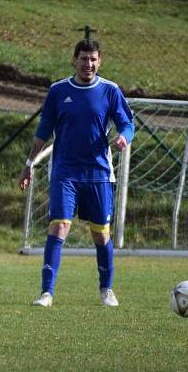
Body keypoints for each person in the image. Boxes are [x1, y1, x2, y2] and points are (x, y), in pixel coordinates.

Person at [18, 39, 134, 308]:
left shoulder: (110, 90)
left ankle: (106, 290)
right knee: (59, 226)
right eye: (83, 59)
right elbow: (43, 132)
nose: (88, 64)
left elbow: (127, 123)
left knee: (101, 235)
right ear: (74, 60)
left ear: (99, 62)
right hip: (65, 173)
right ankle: (46, 293)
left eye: (93, 59)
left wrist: (124, 138)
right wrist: (29, 163)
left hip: (99, 173)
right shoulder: (58, 91)